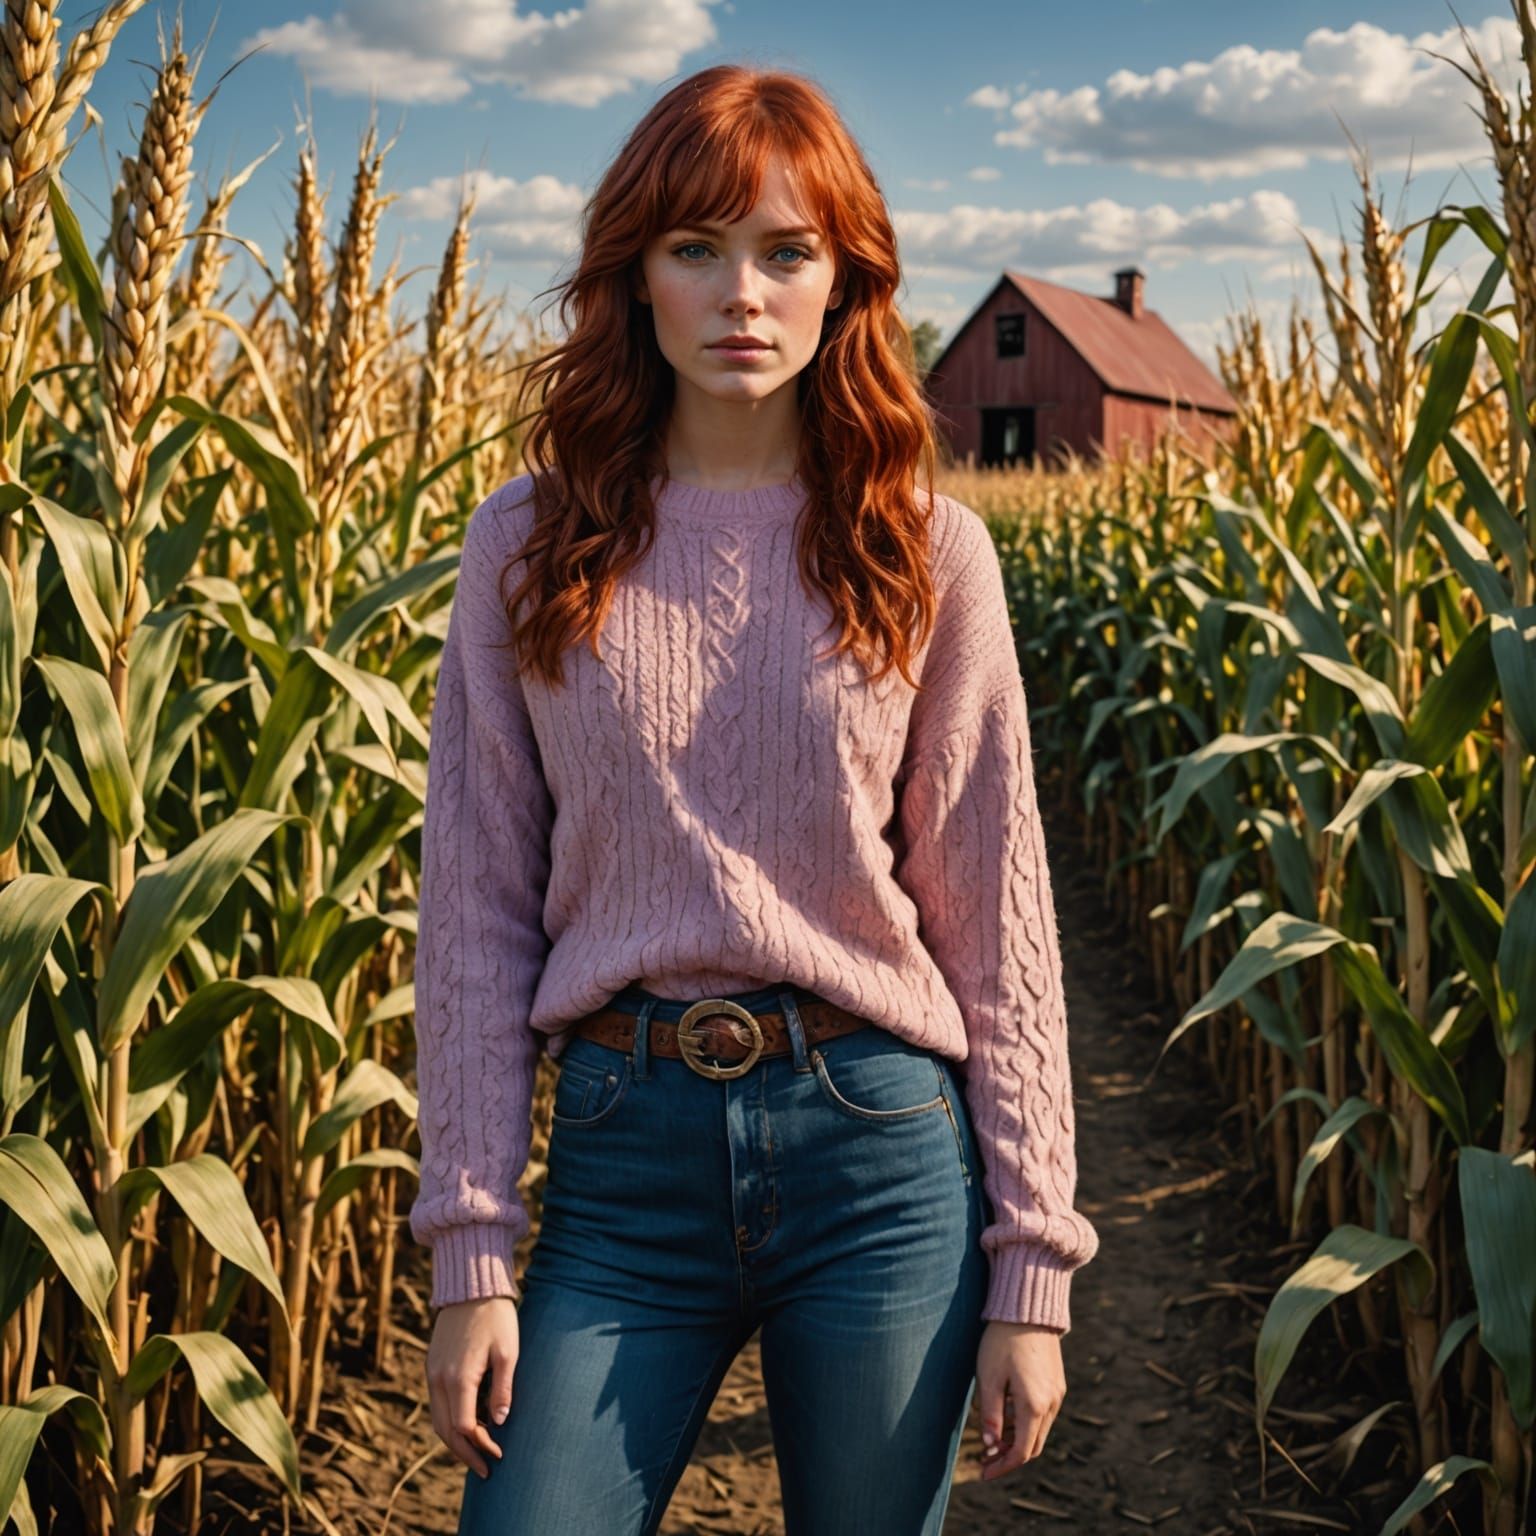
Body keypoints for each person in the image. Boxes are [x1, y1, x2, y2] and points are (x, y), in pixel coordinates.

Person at [408, 61, 1100, 1536]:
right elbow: (471, 903)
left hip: (878, 1156)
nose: (743, 292)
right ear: (634, 276)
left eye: (788, 251)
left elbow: (999, 918)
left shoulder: (927, 552)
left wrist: (1032, 1262)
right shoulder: (526, 544)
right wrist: (471, 1249)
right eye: (697, 247)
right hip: (621, 1155)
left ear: (844, 280)